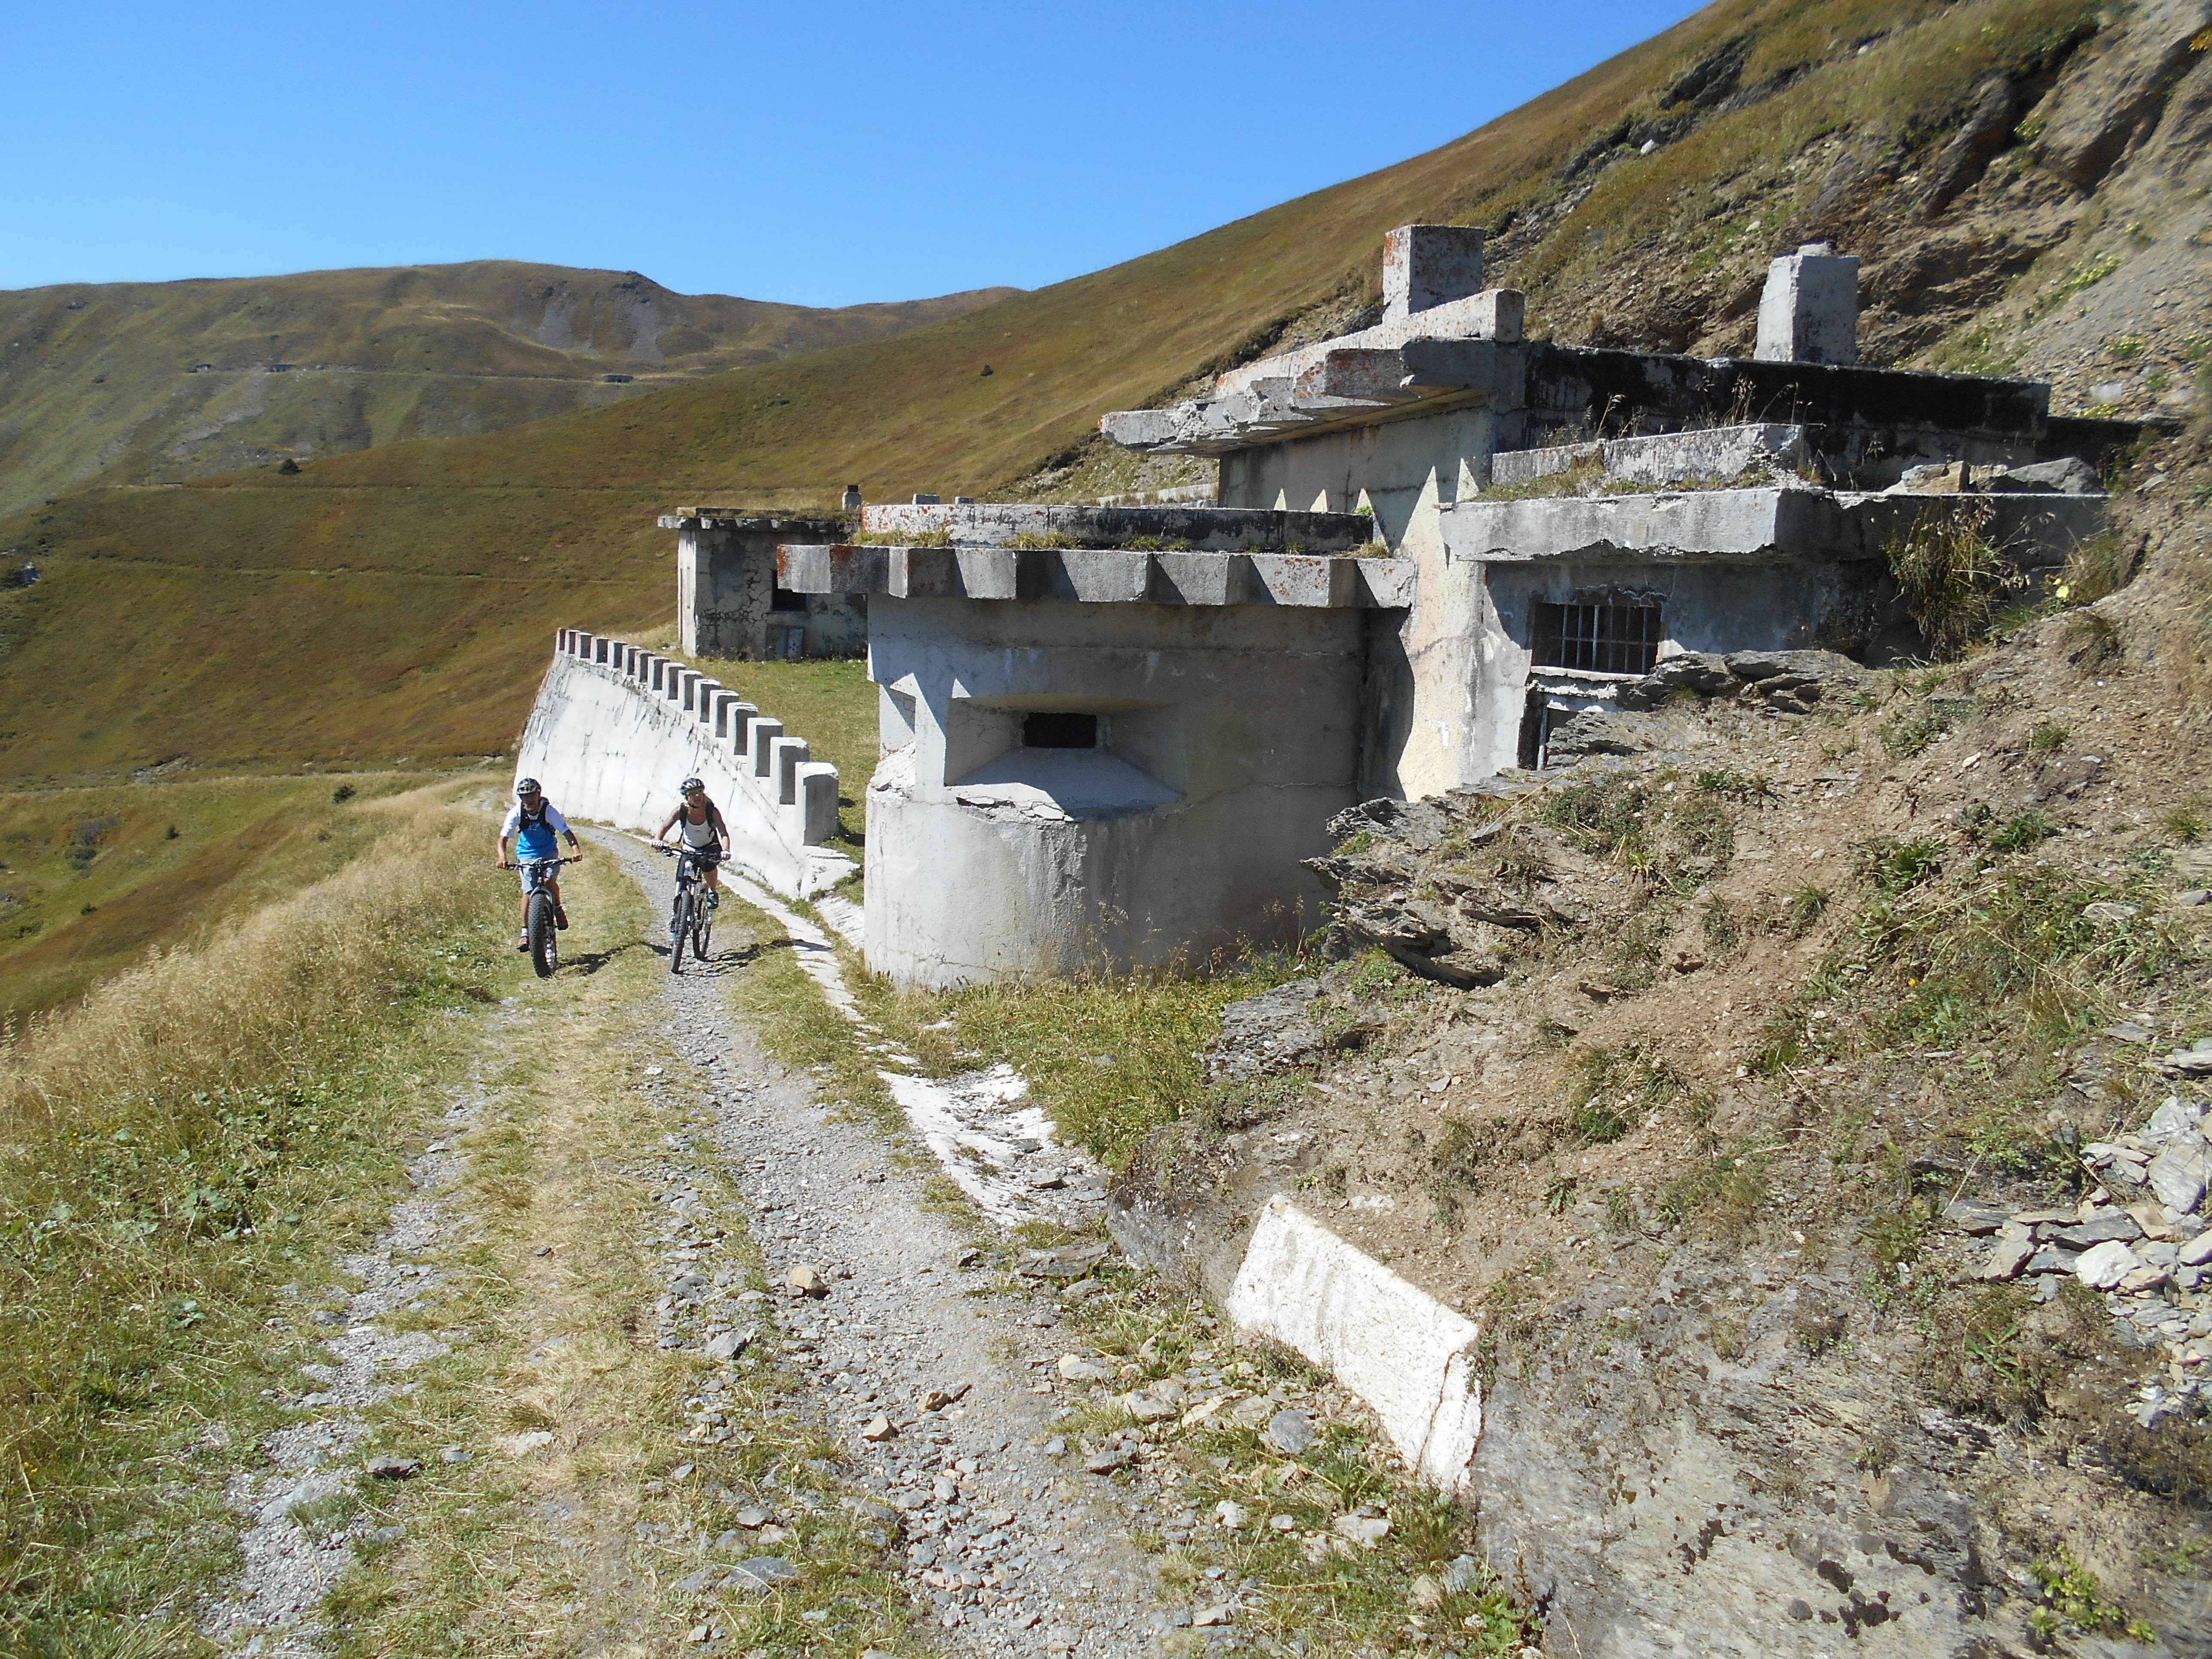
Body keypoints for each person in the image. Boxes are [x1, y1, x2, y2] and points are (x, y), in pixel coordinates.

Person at [497, 778, 582, 951]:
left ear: (539, 795)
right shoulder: (516, 813)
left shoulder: (549, 811)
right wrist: (502, 857)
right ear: (521, 798)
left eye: (532, 796)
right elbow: (503, 840)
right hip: (526, 854)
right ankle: (525, 932)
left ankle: (558, 908)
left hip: (548, 851)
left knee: (548, 881)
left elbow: (566, 832)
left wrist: (576, 850)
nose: (529, 800)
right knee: (528, 891)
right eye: (525, 796)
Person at [656, 777, 729, 911]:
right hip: (689, 848)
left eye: (700, 792)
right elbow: (665, 827)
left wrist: (726, 850)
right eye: (693, 793)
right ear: (687, 796)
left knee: (708, 867)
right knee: (681, 878)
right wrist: (658, 840)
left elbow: (723, 832)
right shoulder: (681, 811)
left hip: (709, 847)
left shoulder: (711, 811)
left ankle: (713, 892)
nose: (698, 796)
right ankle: (676, 918)